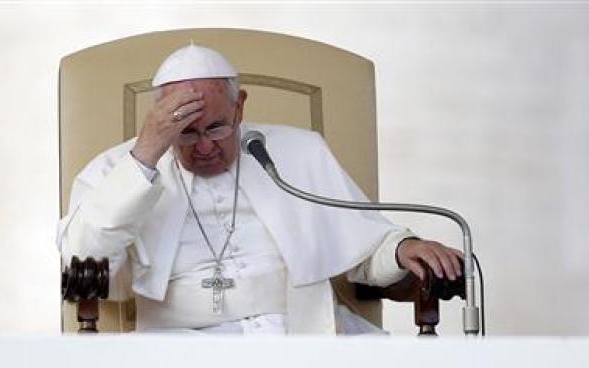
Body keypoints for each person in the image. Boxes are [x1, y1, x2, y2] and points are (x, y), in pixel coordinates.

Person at [57, 44, 462, 334]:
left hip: (304, 334)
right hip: (182, 350)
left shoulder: (296, 151)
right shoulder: (118, 167)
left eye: (217, 126)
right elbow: (80, 258)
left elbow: (360, 241)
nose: (204, 146)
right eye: (186, 133)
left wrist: (401, 249)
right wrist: (145, 156)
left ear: (240, 107)